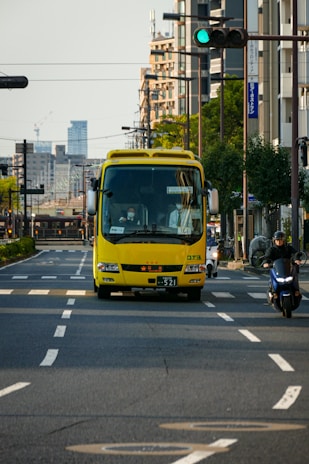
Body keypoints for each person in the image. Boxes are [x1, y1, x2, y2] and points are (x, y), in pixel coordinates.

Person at [263, 230, 301, 296]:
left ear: (283, 240)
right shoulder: (271, 249)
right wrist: (266, 263)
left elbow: (295, 254)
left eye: (280, 240)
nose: (278, 242)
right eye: (277, 240)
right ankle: (272, 291)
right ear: (274, 241)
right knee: (272, 278)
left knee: (294, 275)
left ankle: (296, 291)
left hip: (287, 268)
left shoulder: (288, 248)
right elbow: (267, 257)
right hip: (276, 269)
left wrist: (296, 259)